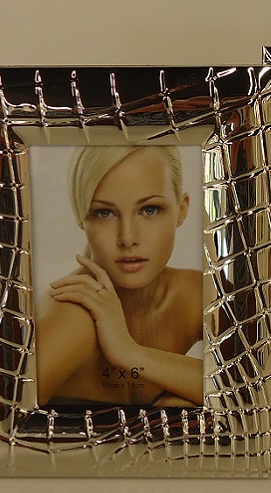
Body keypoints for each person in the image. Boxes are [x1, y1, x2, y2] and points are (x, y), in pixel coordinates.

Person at [35, 145, 203, 407]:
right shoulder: (72, 317)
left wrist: (130, 353)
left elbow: (254, 387)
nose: (128, 238)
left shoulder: (193, 294)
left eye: (149, 210)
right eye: (105, 213)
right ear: (81, 218)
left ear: (181, 210)